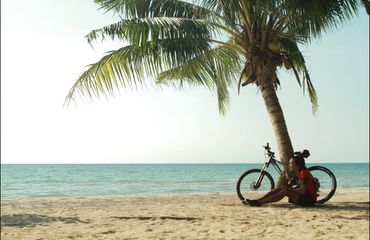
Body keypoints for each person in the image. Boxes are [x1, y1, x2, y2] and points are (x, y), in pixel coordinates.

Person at [245, 155, 317, 207]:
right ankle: (257, 200)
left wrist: (289, 188)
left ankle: (259, 202)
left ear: (297, 165)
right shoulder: (297, 174)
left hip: (308, 200)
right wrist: (285, 179)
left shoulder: (303, 173)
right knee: (281, 188)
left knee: (286, 191)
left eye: (291, 163)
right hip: (303, 197)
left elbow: (302, 191)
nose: (289, 165)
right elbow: (287, 185)